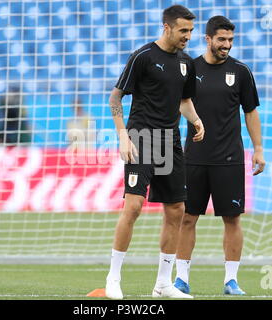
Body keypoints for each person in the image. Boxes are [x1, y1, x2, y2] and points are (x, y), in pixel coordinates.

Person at [105, 5, 204, 299]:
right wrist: (123, 136)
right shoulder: (143, 57)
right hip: (141, 137)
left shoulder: (187, 62)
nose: (188, 36)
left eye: (191, 31)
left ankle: (163, 283)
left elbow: (184, 100)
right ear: (167, 27)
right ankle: (113, 278)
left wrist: (196, 120)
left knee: (176, 210)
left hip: (170, 141)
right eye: (183, 30)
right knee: (133, 207)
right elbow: (116, 96)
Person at [173, 16, 266, 296]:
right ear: (208, 39)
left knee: (232, 219)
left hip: (229, 158)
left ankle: (231, 281)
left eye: (230, 40)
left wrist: (258, 149)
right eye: (221, 40)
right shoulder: (188, 68)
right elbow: (177, 103)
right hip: (194, 157)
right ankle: (181, 279)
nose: (226, 45)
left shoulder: (241, 71)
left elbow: (250, 111)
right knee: (187, 218)